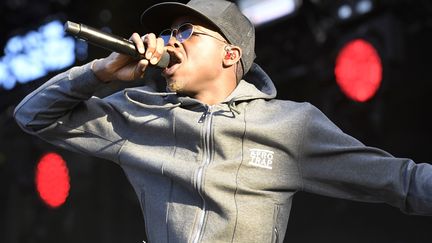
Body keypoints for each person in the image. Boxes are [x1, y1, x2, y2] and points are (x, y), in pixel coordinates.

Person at [13, 0, 432, 242]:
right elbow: (33, 116)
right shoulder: (139, 113)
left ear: (230, 55)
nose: (166, 42)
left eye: (185, 31)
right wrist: (99, 73)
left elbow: (404, 183)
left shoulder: (289, 125)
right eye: (165, 33)